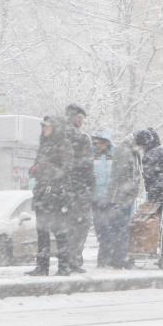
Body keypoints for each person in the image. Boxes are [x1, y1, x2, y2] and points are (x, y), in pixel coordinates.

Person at [26, 116, 73, 276]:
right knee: (42, 232)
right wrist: (34, 169)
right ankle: (42, 266)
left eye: (48, 126)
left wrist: (47, 169)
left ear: (56, 128)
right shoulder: (43, 145)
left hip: (56, 194)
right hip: (41, 194)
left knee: (59, 232)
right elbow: (36, 166)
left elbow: (66, 170)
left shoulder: (63, 145)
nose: (44, 129)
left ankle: (64, 267)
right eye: (43, 126)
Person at [106, 131, 147, 269]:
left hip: (125, 196)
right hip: (121, 197)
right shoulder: (125, 151)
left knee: (121, 228)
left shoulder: (131, 150)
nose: (142, 149)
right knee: (121, 229)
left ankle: (118, 258)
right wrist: (116, 197)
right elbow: (120, 176)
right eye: (142, 146)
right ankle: (119, 259)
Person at [138, 128, 163, 268]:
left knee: (157, 225)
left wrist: (153, 193)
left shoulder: (149, 155)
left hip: (159, 194)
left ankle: (161, 256)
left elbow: (148, 177)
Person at [64, 104, 94, 274]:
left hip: (62, 188)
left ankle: (65, 260)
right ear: (75, 118)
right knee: (81, 225)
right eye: (81, 118)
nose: (82, 122)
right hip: (79, 188)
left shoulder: (57, 135)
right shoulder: (81, 138)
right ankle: (74, 260)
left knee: (67, 226)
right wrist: (89, 187)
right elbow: (86, 166)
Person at [90, 130, 116, 267]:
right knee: (100, 230)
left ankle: (107, 259)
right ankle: (103, 259)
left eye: (99, 142)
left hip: (110, 200)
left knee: (108, 230)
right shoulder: (92, 155)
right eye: (95, 142)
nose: (96, 145)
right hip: (95, 200)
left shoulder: (114, 155)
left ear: (106, 143)